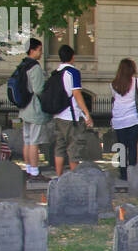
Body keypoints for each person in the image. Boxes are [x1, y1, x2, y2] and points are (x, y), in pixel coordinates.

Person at [52, 44, 93, 177]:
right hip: (72, 117)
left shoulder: (56, 72)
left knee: (59, 147)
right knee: (74, 148)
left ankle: (58, 177)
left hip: (58, 115)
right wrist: (87, 113)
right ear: (72, 57)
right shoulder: (73, 72)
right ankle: (74, 178)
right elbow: (77, 94)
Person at [17, 38, 49, 179]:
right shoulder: (34, 67)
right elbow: (38, 89)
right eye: (40, 50)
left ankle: (29, 169)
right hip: (34, 108)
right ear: (33, 50)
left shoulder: (23, 64)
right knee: (34, 141)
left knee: (28, 140)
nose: (41, 53)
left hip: (24, 108)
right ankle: (35, 172)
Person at [110, 57, 138, 180]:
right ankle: (133, 172)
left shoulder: (114, 84)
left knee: (122, 147)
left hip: (119, 119)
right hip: (133, 118)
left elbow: (115, 98)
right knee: (133, 146)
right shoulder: (137, 82)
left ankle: (123, 173)